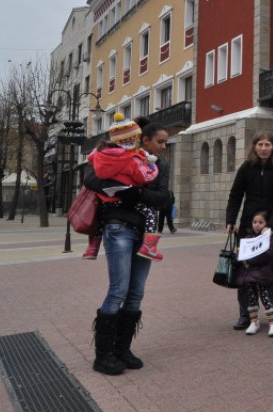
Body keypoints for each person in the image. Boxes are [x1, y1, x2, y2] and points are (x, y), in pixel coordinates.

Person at [82, 118, 171, 375]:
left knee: (136, 293)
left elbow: (163, 198)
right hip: (119, 227)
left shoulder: (159, 167)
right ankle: (103, 355)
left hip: (146, 234)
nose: (164, 147)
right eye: (160, 142)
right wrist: (124, 189)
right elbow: (91, 180)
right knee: (118, 290)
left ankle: (122, 349)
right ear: (144, 140)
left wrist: (136, 193)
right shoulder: (117, 156)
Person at [226, 131, 273, 330]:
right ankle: (246, 315)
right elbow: (235, 195)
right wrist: (230, 219)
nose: (263, 149)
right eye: (260, 145)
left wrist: (270, 225)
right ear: (254, 147)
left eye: (267, 145)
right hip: (248, 229)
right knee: (245, 275)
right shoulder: (246, 168)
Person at [84, 113, 163, 262]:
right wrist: (151, 169)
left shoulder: (102, 154)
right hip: (126, 219)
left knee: (98, 218)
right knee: (152, 214)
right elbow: (143, 177)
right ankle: (149, 246)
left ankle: (92, 246)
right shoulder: (132, 158)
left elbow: (91, 167)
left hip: (107, 203)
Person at [236, 211, 273, 337]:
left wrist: (250, 258)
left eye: (261, 222)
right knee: (251, 299)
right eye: (255, 222)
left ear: (266, 224)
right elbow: (242, 254)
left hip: (262, 274)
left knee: (266, 298)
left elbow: (270, 252)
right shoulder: (248, 238)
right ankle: (254, 322)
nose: (257, 225)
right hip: (249, 275)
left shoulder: (269, 238)